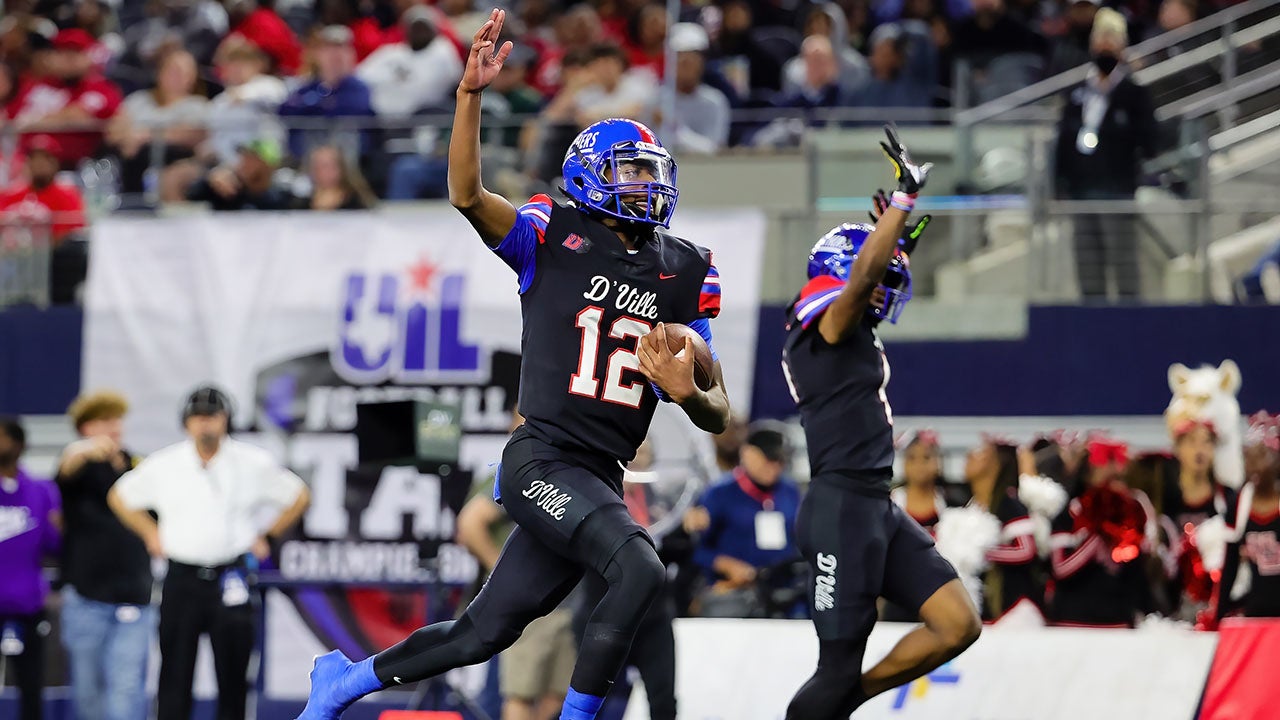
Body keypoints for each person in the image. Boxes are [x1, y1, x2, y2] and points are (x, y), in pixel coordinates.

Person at [296, 10, 731, 720]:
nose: (644, 185)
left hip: (599, 474)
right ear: (590, 176)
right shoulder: (552, 232)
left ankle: (345, 680)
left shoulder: (686, 269)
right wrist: (468, 96)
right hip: (542, 458)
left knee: (482, 632)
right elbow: (467, 195)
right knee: (639, 567)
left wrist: (691, 388)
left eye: (652, 172)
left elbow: (719, 412)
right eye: (629, 171)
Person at [781, 126, 980, 720]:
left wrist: (897, 234)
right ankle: (836, 698)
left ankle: (846, 702)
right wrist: (900, 206)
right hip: (840, 507)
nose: (881, 294)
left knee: (956, 623)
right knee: (834, 670)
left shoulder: (849, 325)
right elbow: (861, 282)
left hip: (875, 504)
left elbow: (873, 273)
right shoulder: (822, 324)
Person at [108, 386, 310, 720]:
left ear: (225, 420)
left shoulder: (251, 461)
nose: (205, 425)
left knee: (233, 675)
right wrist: (149, 532)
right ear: (187, 423)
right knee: (174, 673)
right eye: (198, 418)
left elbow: (298, 495)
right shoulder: (166, 463)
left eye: (212, 417)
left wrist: (268, 536)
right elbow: (119, 496)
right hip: (182, 577)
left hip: (230, 577)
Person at [454, 412, 578, 720]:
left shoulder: (561, 467)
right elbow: (470, 524)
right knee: (520, 694)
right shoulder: (520, 469)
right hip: (532, 604)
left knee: (556, 696)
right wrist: (508, 574)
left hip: (566, 601)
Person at [56, 391, 154, 720]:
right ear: (85, 427)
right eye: (104, 421)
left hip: (134, 598)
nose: (113, 428)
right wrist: (82, 451)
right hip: (86, 597)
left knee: (126, 690)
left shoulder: (138, 466)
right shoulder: (78, 469)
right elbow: (67, 467)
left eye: (117, 420)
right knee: (87, 693)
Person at [1053, 8, 1157, 301]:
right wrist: (1060, 183)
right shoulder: (1077, 92)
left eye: (1112, 39)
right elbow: (1063, 140)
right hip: (1082, 191)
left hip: (1117, 191)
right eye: (1101, 39)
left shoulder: (1134, 92)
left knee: (1123, 265)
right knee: (1088, 268)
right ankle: (1091, 327)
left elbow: (1149, 138)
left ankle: (1130, 326)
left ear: (1122, 46)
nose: (1105, 46)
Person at [687, 421, 802, 618]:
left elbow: (801, 541)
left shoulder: (790, 492)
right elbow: (697, 550)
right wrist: (725, 564)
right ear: (748, 454)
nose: (774, 466)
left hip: (785, 592)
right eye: (768, 458)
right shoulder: (720, 493)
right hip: (736, 595)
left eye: (780, 460)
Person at [1048, 438, 1151, 626]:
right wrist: (1097, 535)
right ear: (1088, 475)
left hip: (1119, 622)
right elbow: (1060, 568)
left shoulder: (1135, 512)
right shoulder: (1070, 512)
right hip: (1072, 623)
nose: (1112, 483)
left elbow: (1143, 568)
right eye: (1105, 477)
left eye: (1118, 478)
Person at [0, 417, 61, 720]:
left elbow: (54, 545)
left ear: (19, 444)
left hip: (27, 604)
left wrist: (59, 529)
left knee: (31, 689)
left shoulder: (40, 491)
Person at [960, 438, 1039, 619]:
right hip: (987, 612)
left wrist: (981, 552)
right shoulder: (971, 506)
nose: (969, 456)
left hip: (1017, 612)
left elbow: (1026, 549)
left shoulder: (1009, 503)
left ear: (996, 463)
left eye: (980, 452)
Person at [1220, 412, 1280, 620]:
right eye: (1249, 457)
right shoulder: (1238, 503)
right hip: (1254, 610)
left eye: (1261, 456)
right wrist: (1220, 613)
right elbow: (1229, 565)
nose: (1254, 466)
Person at [292, 144, 377, 210]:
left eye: (326, 166)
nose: (320, 171)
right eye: (316, 166)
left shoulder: (356, 202)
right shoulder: (301, 203)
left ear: (340, 168)